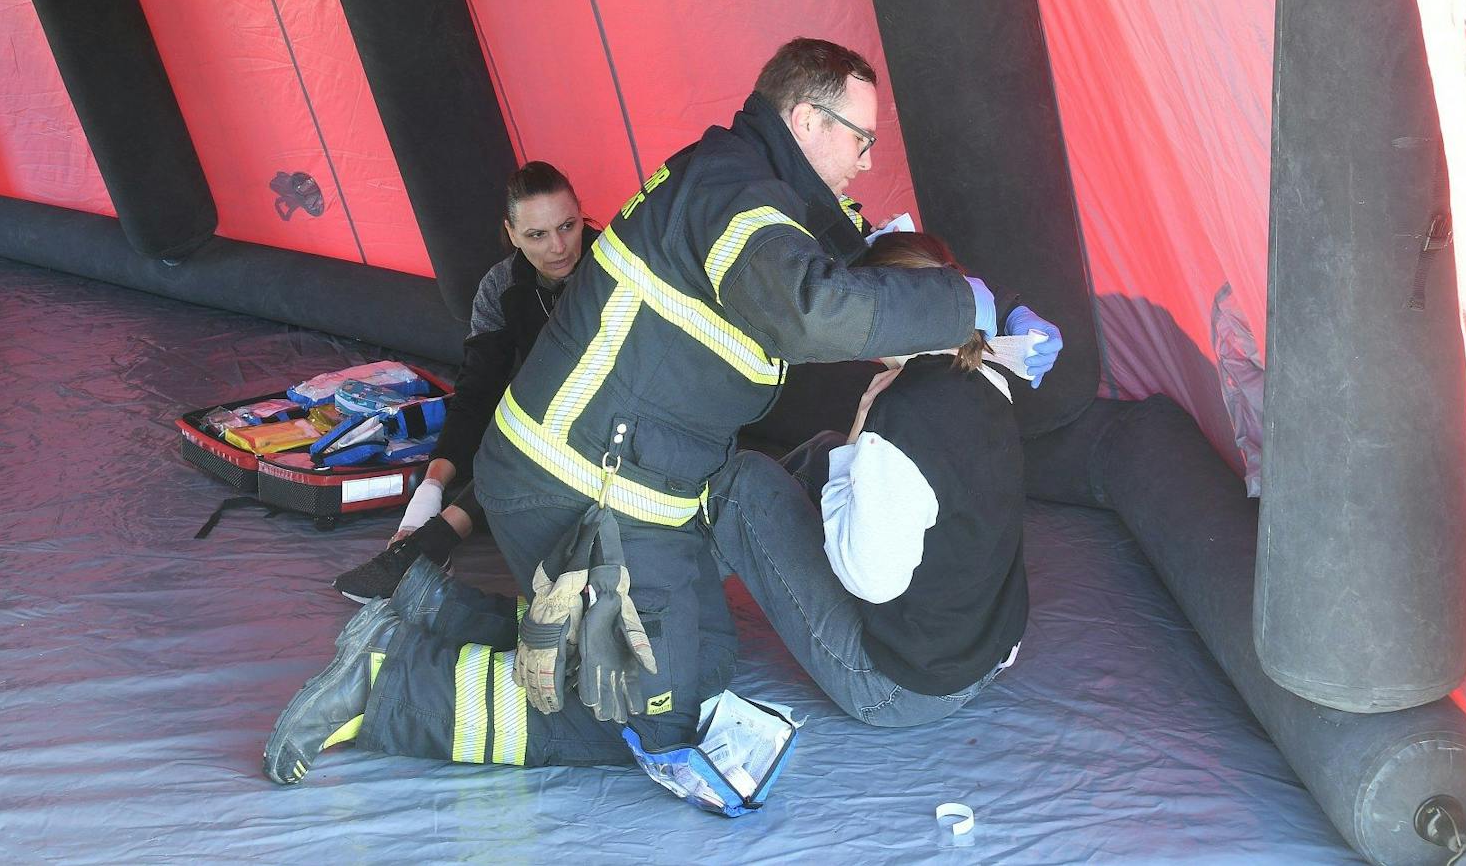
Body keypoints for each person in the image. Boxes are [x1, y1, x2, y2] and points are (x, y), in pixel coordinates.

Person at [265, 38, 1062, 781]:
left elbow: (876, 260)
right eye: (862, 138)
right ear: (808, 121)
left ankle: (427, 607)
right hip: (579, 484)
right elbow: (814, 308)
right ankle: (383, 686)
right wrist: (966, 307)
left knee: (693, 652)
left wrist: (1003, 304)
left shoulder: (770, 192)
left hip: (635, 481)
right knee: (646, 712)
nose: (868, 159)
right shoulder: (735, 201)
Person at [707, 231, 1032, 726]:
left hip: (894, 687)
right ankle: (699, 556)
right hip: (981, 652)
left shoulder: (901, 413)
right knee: (824, 450)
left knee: (742, 483)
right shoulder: (985, 375)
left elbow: (870, 581)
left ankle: (667, 589)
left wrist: (864, 429)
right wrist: (853, 448)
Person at [332, 161, 598, 602]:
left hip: (620, 413)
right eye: (537, 235)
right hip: (543, 418)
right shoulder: (501, 287)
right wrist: (431, 487)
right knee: (501, 431)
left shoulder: (614, 268)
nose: (558, 247)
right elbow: (477, 390)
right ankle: (426, 529)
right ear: (511, 233)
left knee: (528, 439)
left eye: (567, 226)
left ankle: (427, 547)